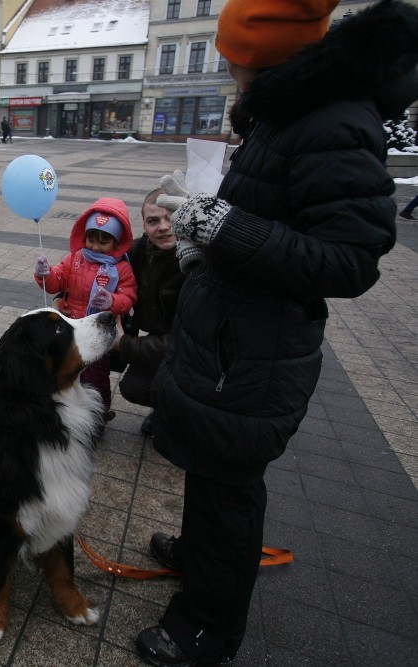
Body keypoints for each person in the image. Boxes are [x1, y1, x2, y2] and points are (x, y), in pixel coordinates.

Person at [133, 1, 415, 665]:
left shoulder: (331, 122)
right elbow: (270, 213)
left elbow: (350, 258)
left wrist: (223, 227)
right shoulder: (287, 111)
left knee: (229, 491)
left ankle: (207, 624)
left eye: (233, 55)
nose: (226, 65)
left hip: (254, 356)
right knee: (209, 471)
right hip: (231, 340)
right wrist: (208, 237)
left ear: (265, 57)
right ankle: (201, 558)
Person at [34, 198, 136, 420]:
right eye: (91, 239)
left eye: (103, 241)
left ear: (116, 242)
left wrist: (112, 301)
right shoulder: (75, 258)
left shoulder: (121, 268)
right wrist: (46, 274)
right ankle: (66, 413)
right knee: (67, 374)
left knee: (96, 379)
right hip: (71, 331)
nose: (95, 246)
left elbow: (128, 297)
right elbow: (58, 281)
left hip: (98, 333)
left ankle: (97, 416)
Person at [113, 188, 185, 435]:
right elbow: (94, 268)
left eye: (171, 218)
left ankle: (178, 414)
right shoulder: (138, 252)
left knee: (158, 386)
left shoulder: (197, 264)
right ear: (144, 225)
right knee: (133, 386)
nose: (163, 227)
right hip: (160, 340)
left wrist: (124, 344)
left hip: (195, 356)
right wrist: (63, 297)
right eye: (154, 220)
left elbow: (184, 341)